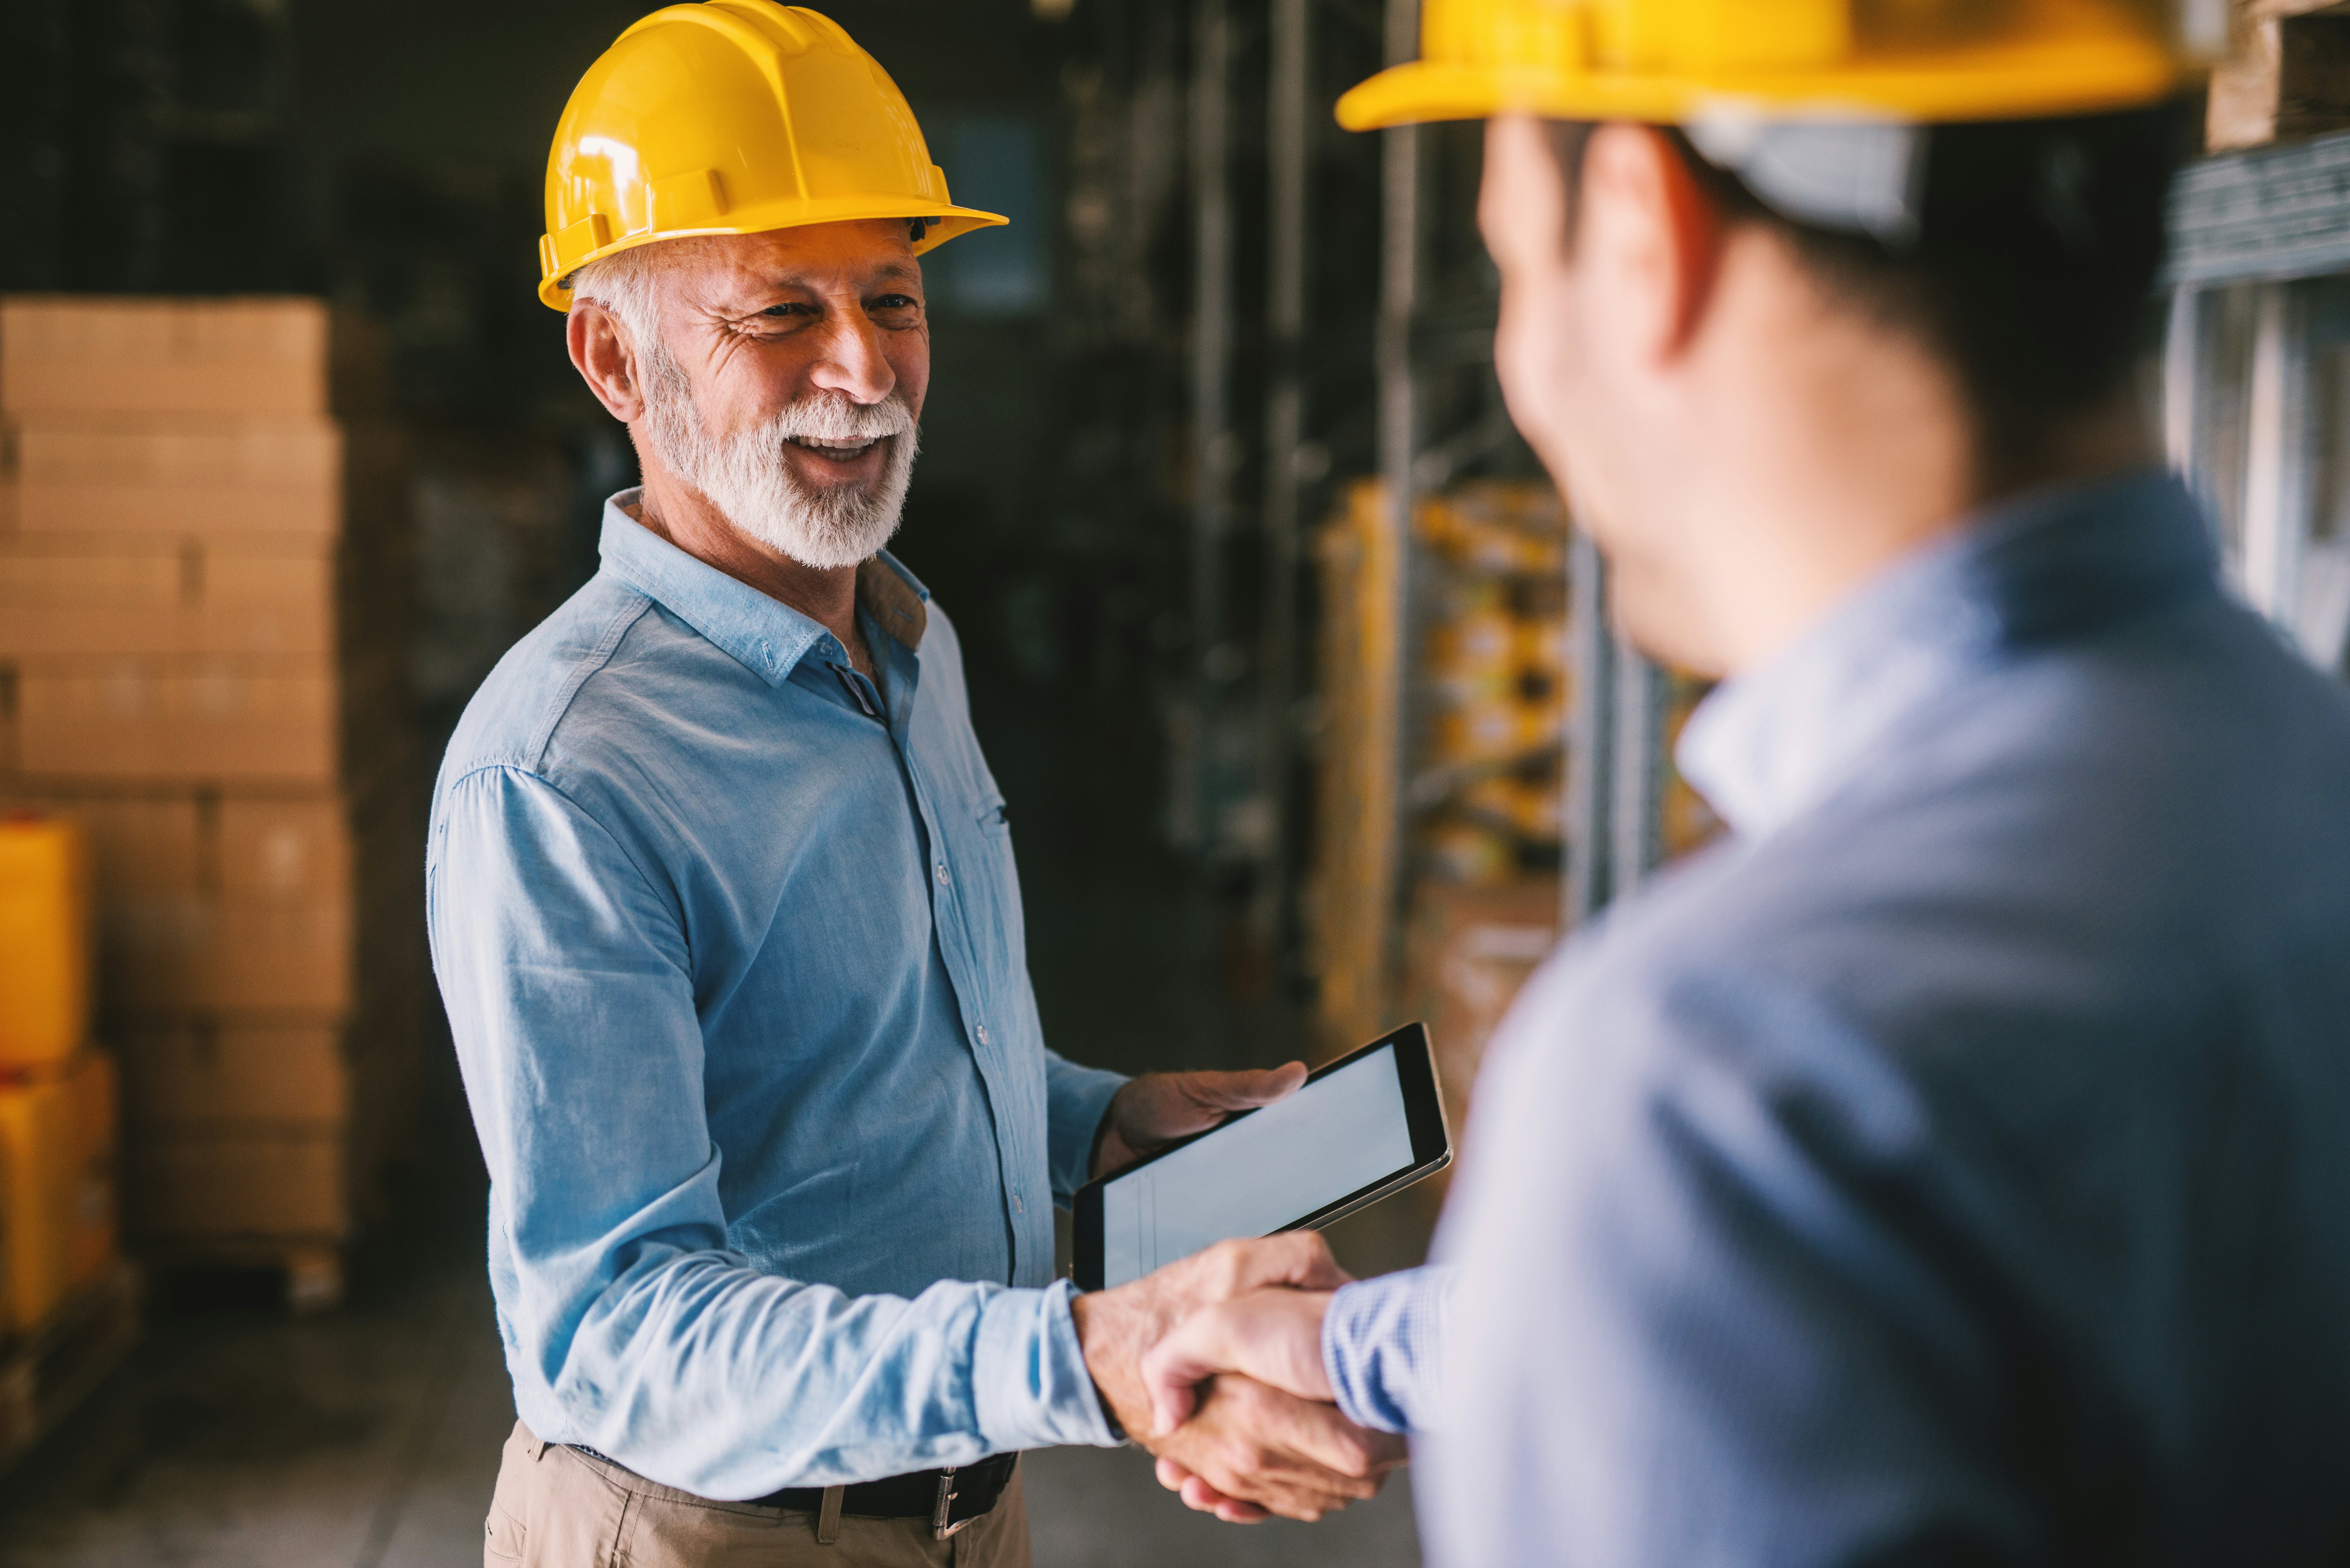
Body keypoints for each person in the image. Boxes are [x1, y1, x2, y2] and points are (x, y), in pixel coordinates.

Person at [1135, 0, 2350, 1563]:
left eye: (1510, 264)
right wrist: (1375, 1347)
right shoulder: (2289, 782)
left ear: (1641, 233)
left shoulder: (1717, 1076)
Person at [429, 7, 1394, 1565]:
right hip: (709, 1533)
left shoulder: (906, 635)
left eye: (894, 296)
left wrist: (1091, 1122)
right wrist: (1083, 1352)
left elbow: (853, 1059)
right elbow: (616, 1325)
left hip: (966, 1503)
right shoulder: (561, 776)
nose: (865, 367)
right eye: (780, 317)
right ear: (615, 357)